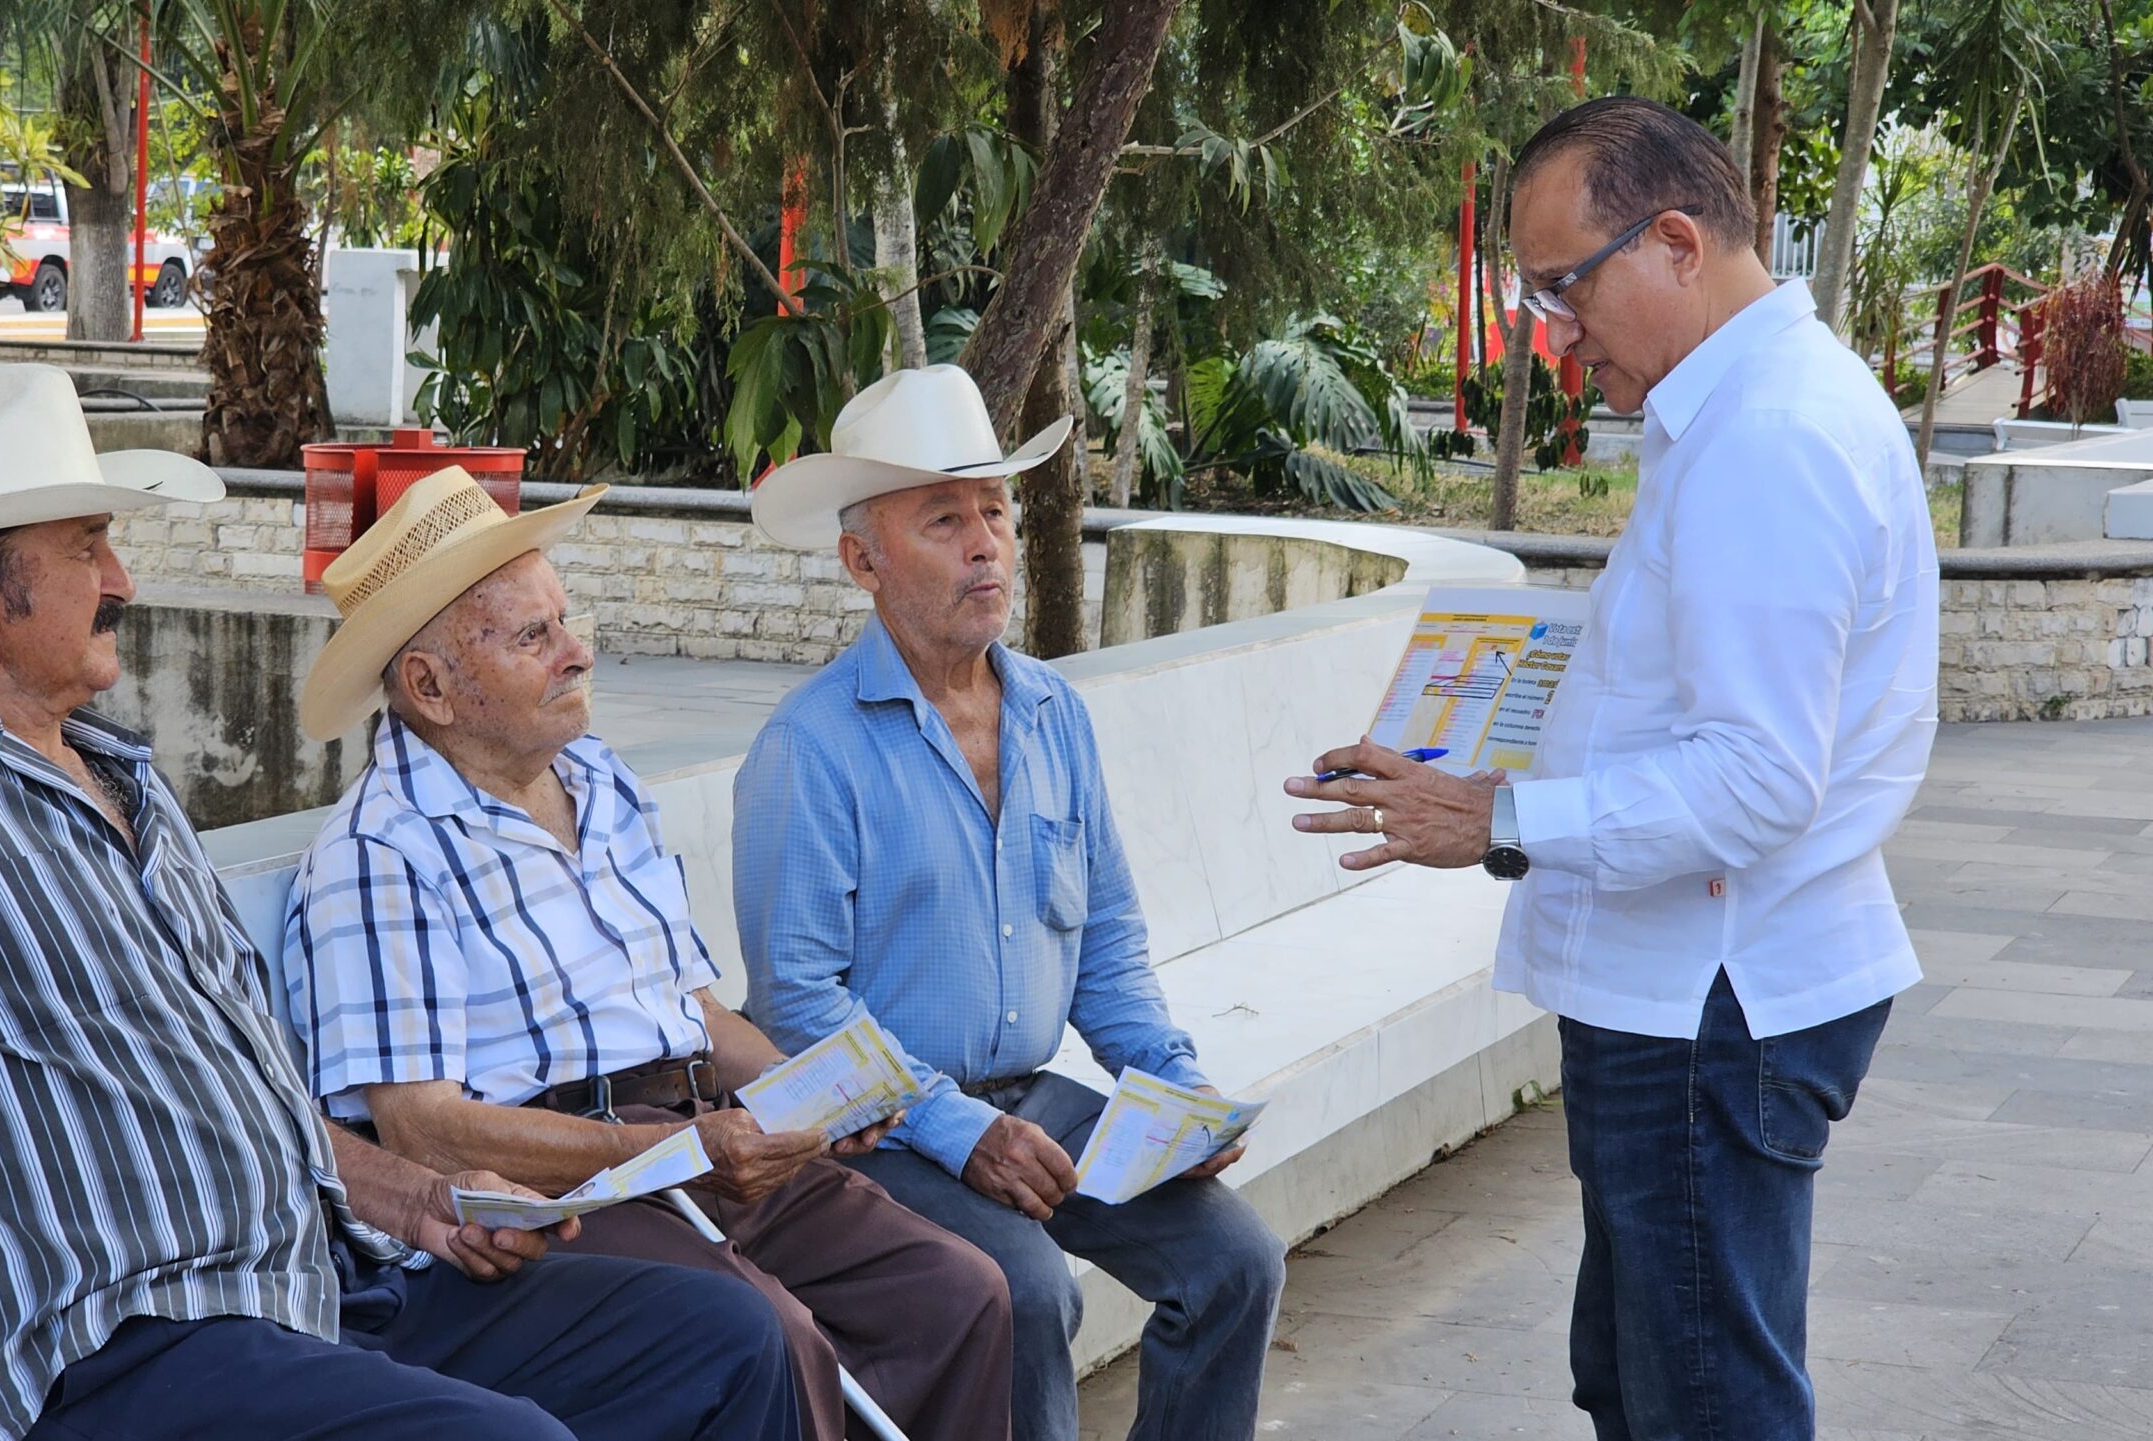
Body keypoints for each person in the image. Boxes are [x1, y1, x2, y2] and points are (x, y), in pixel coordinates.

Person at [0, 366, 801, 1441]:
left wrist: (412, 1197)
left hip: (313, 1291)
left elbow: (244, 1084)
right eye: (84, 547)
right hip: (117, 1354)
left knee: (720, 1344)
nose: (121, 577)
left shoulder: (120, 773)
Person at [1286, 97, 1937, 1440]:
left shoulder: (1770, 435)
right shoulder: (1741, 409)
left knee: (1697, 1398)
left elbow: (1759, 778)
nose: (1554, 332)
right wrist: (1487, 734)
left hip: (1713, 990)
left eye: (1561, 287)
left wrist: (1499, 815)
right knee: (1642, 1377)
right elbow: (1693, 693)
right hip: (1687, 980)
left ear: (1678, 240)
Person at [280, 467, 1015, 1441]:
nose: (577, 653)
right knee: (770, 1335)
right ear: (429, 686)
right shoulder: (378, 856)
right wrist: (663, 1150)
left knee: (958, 1291)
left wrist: (826, 1091)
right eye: (534, 636)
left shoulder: (595, 775)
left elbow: (694, 1010)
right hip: (566, 1187)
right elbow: (425, 1132)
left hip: (697, 1135)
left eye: (564, 620)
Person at [734, 364, 1289, 1441]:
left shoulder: (1053, 714)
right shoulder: (810, 748)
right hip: (886, 1131)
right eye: (944, 519)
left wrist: (1176, 1093)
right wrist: (956, 1126)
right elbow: (797, 1001)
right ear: (863, 560)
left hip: (1035, 1099)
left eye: (993, 508)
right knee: (1032, 1293)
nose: (986, 540)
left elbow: (1108, 945)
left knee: (1234, 1262)